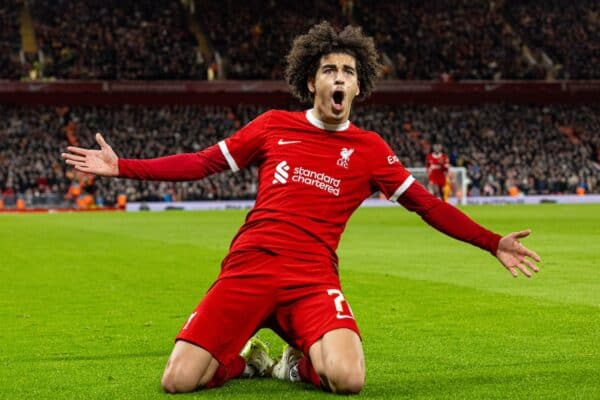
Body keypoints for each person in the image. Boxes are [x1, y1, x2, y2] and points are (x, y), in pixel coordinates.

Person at [61, 22, 541, 395]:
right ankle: (245, 361)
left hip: (312, 279)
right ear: (312, 80)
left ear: (358, 88)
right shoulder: (273, 126)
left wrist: (490, 241)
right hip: (249, 268)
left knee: (349, 380)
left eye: (348, 73)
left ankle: (295, 363)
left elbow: (427, 206)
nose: (339, 78)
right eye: (330, 70)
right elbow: (203, 163)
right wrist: (123, 166)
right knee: (177, 381)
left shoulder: (371, 149)